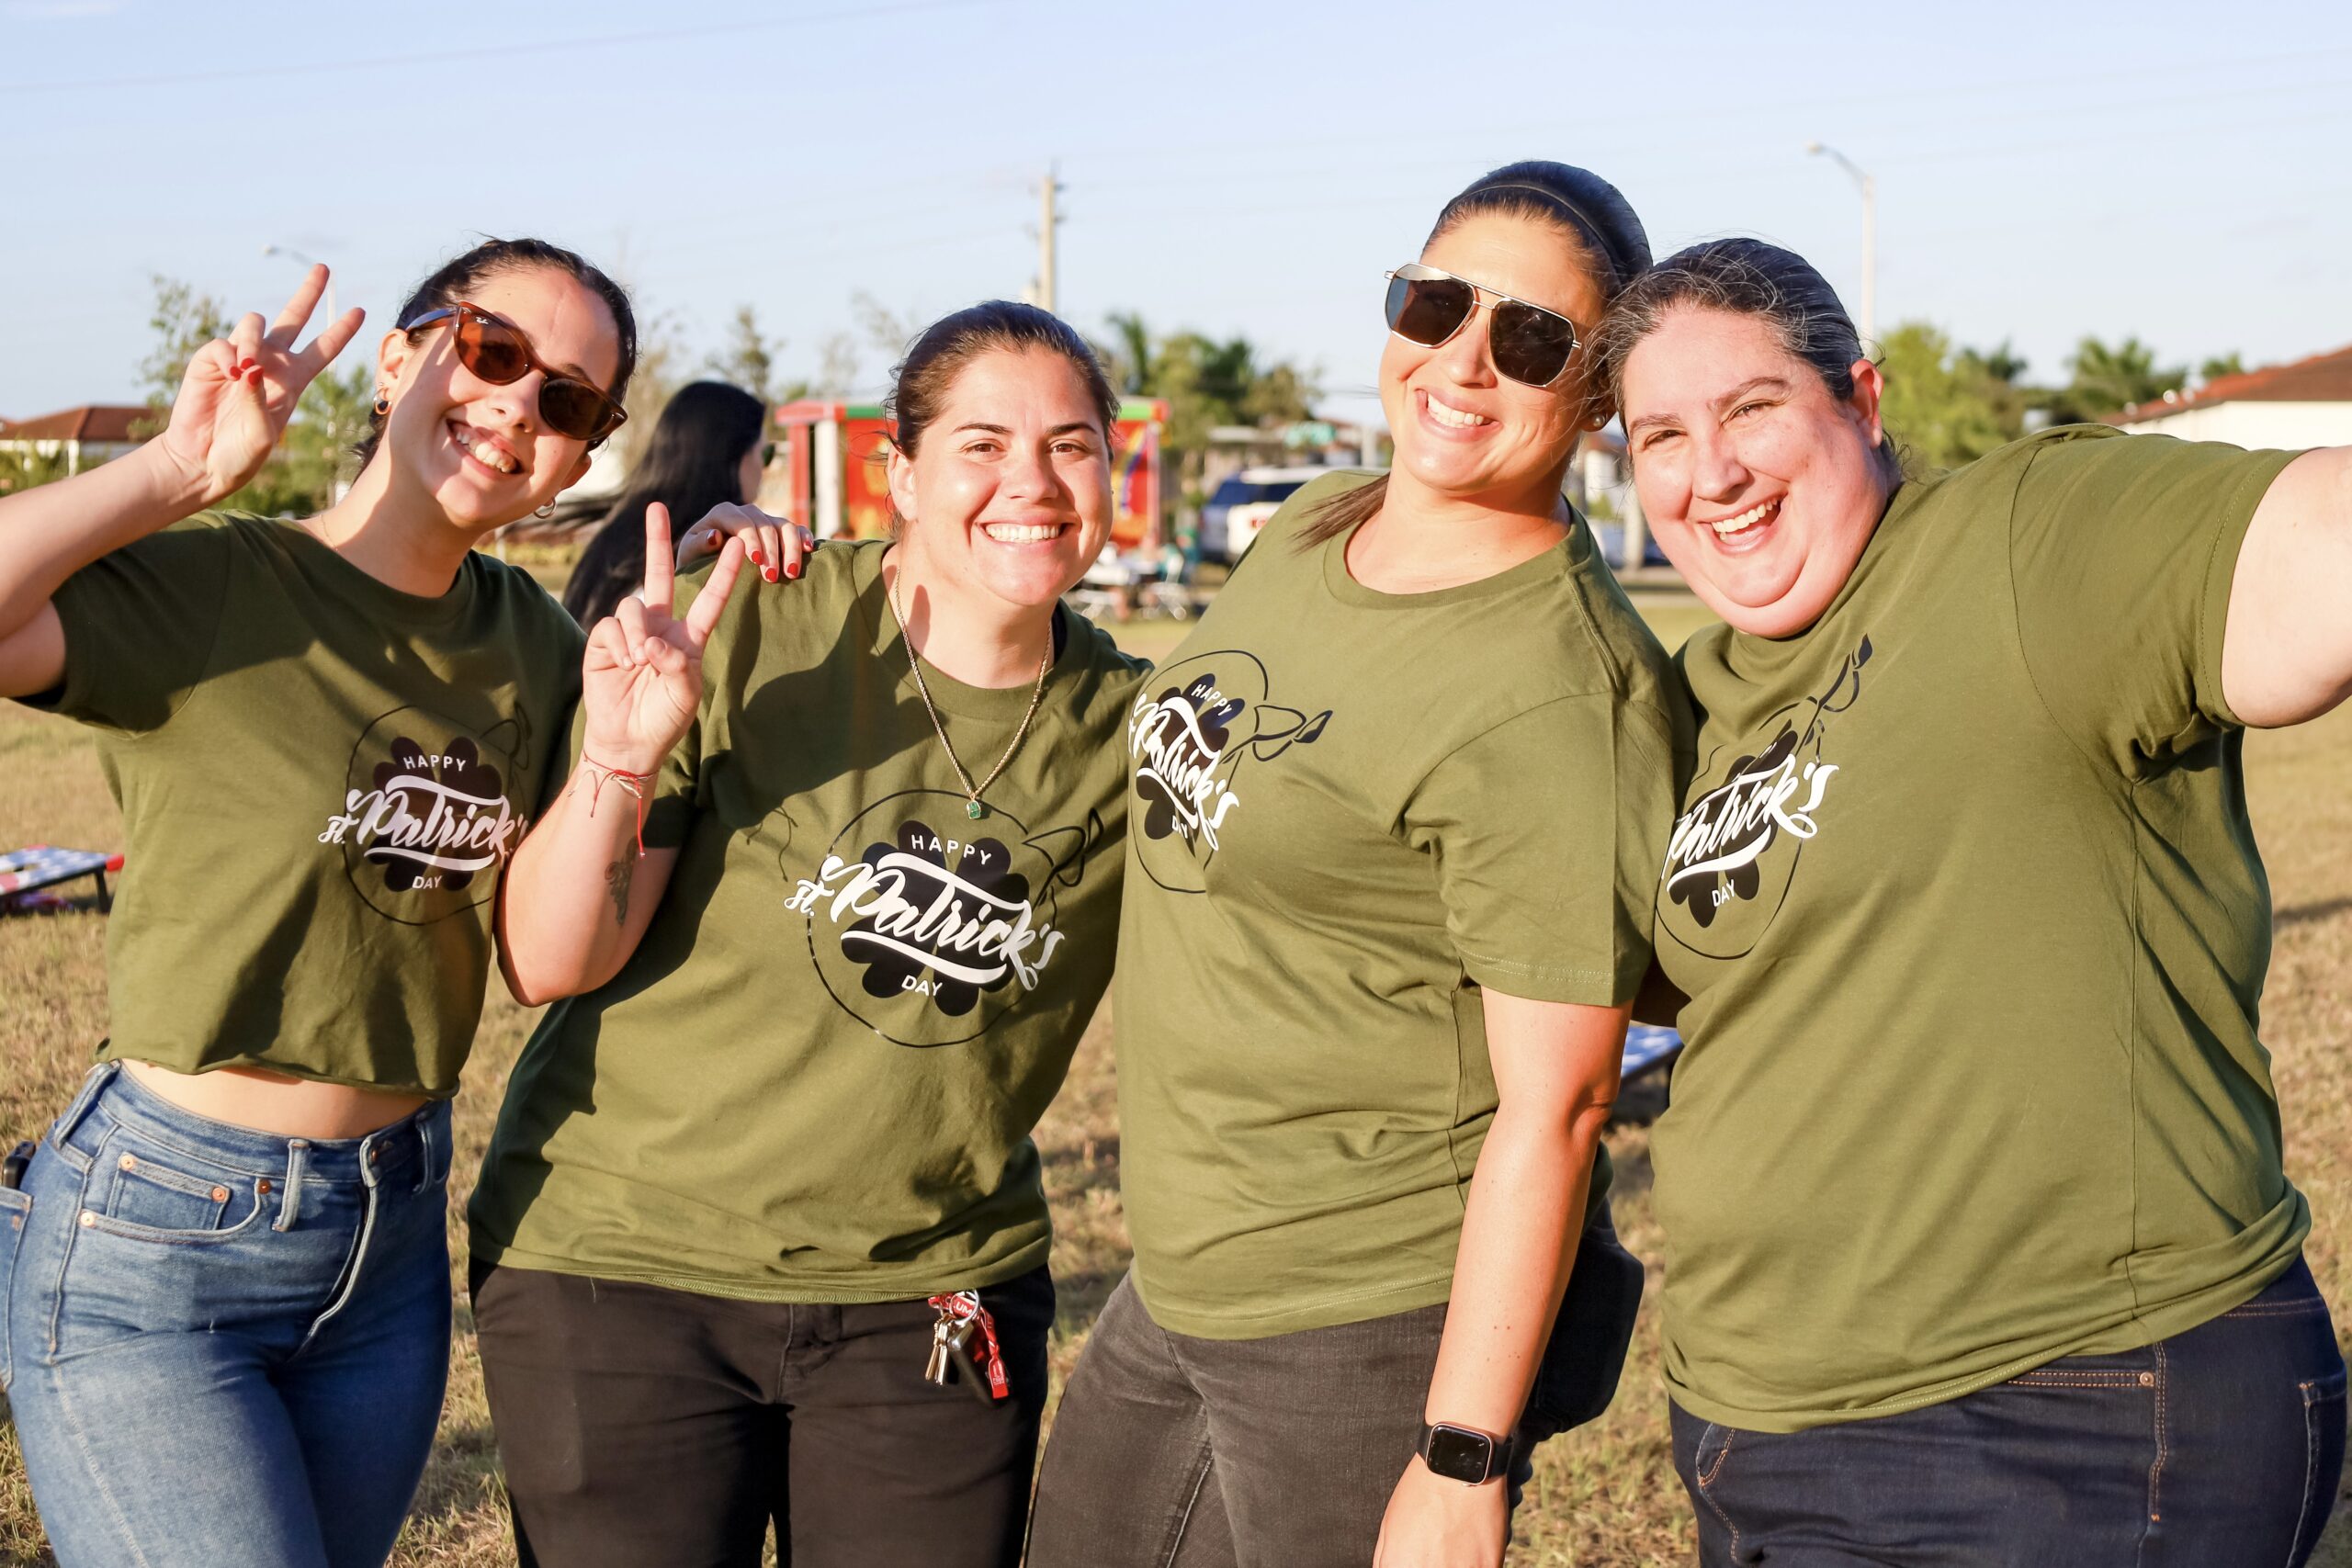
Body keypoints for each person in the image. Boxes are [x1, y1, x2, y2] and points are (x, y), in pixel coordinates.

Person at [1590, 237, 2350, 1564]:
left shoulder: (2018, 539)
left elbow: (2318, 556)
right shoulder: (1698, 692)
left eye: (1752, 407)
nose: (1708, 472)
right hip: (1753, 1425)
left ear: (1863, 404)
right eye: (1660, 433)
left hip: (2069, 1410)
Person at [1027, 162, 1691, 1568]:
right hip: (1183, 1268)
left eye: (1529, 339)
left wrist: (1461, 1457)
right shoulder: (1319, 520)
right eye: (1435, 301)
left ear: (1598, 397)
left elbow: (1560, 1110)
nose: (1461, 359)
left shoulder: (1559, 694)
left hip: (1363, 1309)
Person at [467, 300, 1148, 1568]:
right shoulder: (763, 623)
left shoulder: (1132, 732)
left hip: (930, 1295)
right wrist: (618, 753)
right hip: (623, 1265)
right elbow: (551, 960)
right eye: (983, 445)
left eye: (1072, 446)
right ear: (901, 473)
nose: (1033, 485)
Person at [0, 238, 650, 1568]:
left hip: (389, 1241)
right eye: (492, 349)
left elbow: (543, 956)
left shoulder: (536, 647)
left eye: (569, 398)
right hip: (158, 1238)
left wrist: (625, 757)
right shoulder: (221, 582)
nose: (521, 403)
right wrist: (178, 472)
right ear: (402, 356)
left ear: (582, 456)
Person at [561, 378, 773, 626]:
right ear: (734, 456)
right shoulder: (710, 562)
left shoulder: (612, 543)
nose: (764, 469)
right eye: (766, 454)